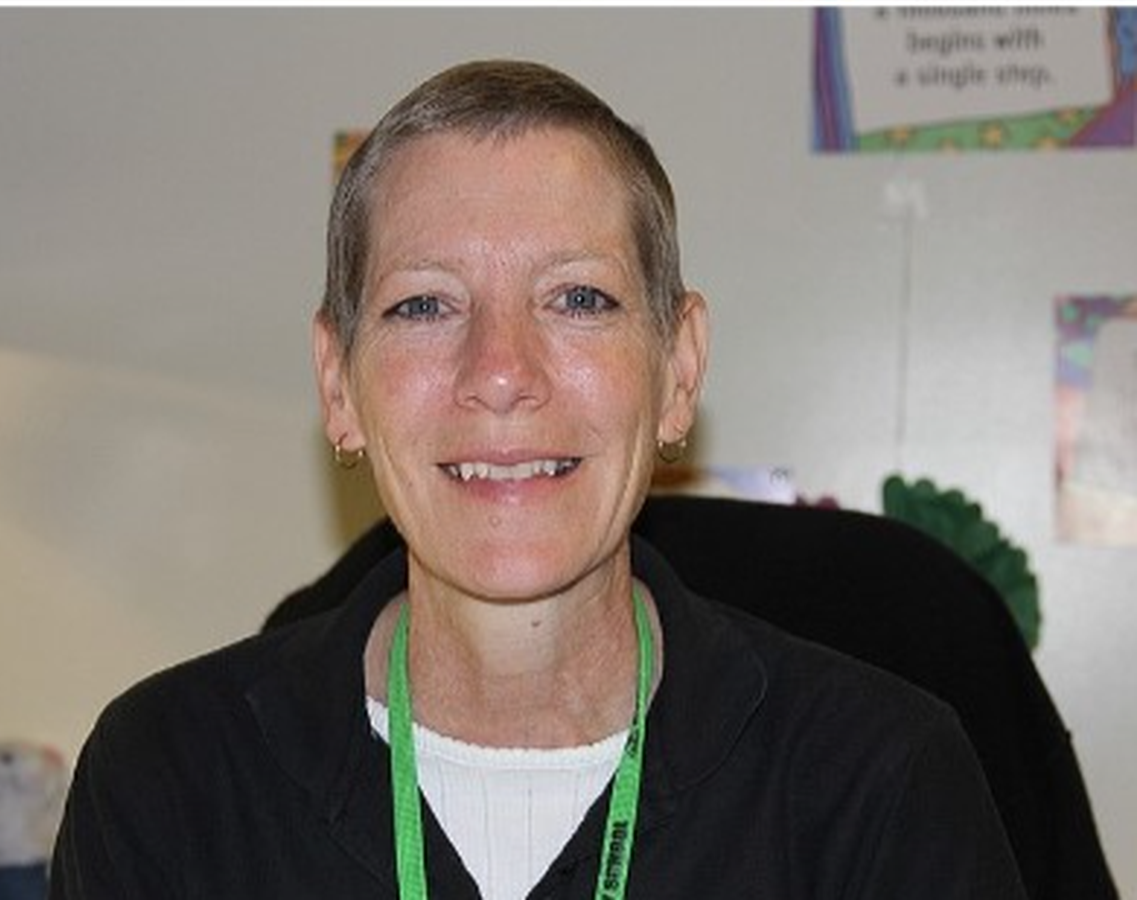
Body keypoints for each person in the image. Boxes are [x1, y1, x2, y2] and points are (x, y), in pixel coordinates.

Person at [50, 59, 1028, 899]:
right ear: (339, 385)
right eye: (425, 305)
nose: (502, 372)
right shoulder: (170, 780)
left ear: (678, 370)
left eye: (578, 298)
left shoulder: (878, 783)